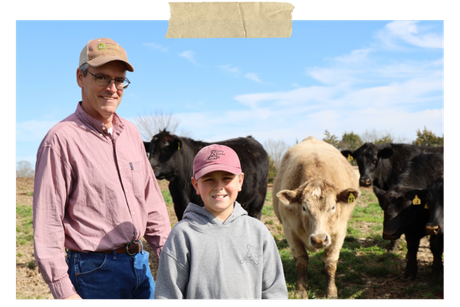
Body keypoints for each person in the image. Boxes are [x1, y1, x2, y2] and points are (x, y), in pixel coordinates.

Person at [32, 38, 171, 300]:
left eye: (119, 80)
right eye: (102, 78)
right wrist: (65, 293)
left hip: (140, 264)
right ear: (80, 77)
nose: (112, 88)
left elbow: (152, 203)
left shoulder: (130, 132)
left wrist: (168, 258)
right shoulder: (60, 140)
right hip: (93, 272)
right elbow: (47, 224)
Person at [154, 144, 288, 300]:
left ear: (240, 181)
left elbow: (274, 292)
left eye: (226, 178)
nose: (219, 187)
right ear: (196, 184)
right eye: (209, 179)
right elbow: (167, 295)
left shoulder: (258, 232)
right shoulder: (182, 235)